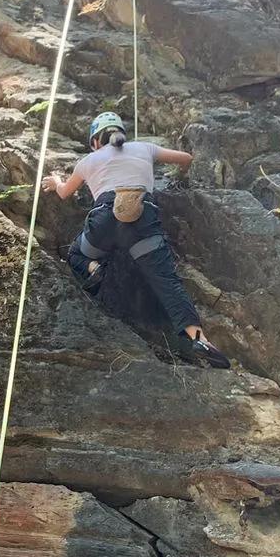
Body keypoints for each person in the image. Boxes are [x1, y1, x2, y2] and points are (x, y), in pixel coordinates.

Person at [42, 111, 230, 369]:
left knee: (78, 254)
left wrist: (55, 181)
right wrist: (181, 176)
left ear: (96, 141)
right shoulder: (144, 148)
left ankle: (94, 269)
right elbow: (186, 158)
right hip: (141, 219)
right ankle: (199, 338)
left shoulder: (88, 161)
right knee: (167, 282)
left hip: (104, 221)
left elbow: (64, 193)